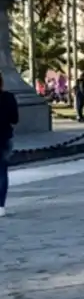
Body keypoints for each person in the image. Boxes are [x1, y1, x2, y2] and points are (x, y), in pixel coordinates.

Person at [0, 72, 18, 217]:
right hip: (4, 136)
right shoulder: (8, 97)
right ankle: (1, 206)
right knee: (2, 172)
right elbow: (15, 118)